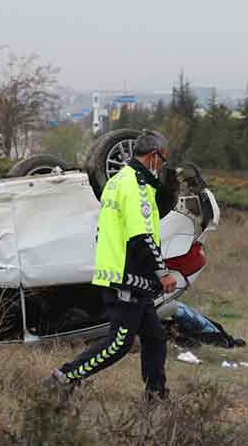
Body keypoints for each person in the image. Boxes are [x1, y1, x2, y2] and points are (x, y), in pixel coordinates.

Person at [45, 129, 179, 400]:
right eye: (162, 160)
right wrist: (163, 272)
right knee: (119, 343)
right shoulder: (135, 187)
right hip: (126, 276)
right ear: (153, 157)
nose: (162, 166)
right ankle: (65, 376)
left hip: (124, 274)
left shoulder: (118, 181)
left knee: (154, 336)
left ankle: (155, 393)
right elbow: (141, 237)